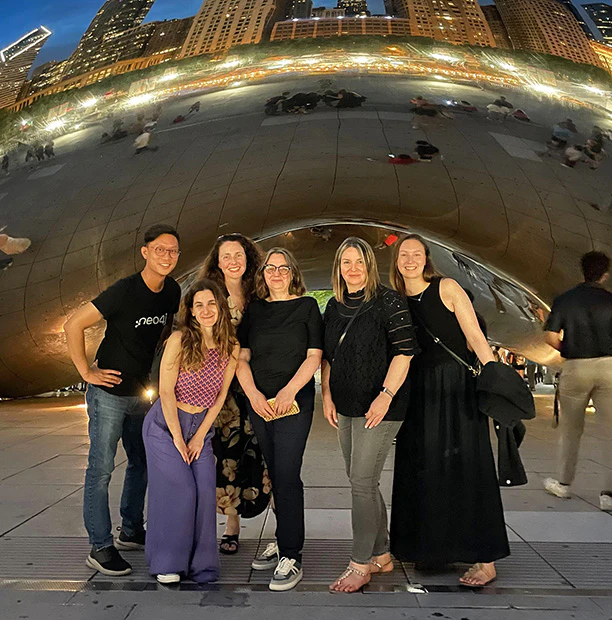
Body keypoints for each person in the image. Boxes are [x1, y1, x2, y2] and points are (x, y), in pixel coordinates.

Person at [389, 234, 509, 587]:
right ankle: (432, 549)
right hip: (418, 391)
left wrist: (496, 380)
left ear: (427, 258)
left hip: (455, 388)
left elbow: (475, 337)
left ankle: (486, 560)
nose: (410, 259)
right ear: (396, 261)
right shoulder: (395, 301)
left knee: (468, 467)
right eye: (403, 254)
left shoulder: (447, 287)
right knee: (423, 468)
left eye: (416, 253)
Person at [63, 225, 182, 576]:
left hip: (142, 395)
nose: (167, 256)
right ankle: (100, 546)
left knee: (141, 463)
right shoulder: (124, 291)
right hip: (109, 395)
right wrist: (86, 372)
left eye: (173, 251)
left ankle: (131, 530)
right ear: (145, 252)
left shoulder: (172, 291)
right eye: (160, 250)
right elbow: (73, 324)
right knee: (100, 470)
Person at [322, 237, 419, 593]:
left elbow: (404, 353)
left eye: (359, 262)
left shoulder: (387, 301)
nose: (353, 268)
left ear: (369, 266)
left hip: (382, 406)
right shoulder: (333, 306)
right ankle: (381, 554)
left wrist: (385, 395)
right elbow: (330, 356)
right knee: (361, 481)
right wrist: (327, 394)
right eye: (346, 262)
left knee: (361, 483)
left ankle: (359, 563)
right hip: (345, 406)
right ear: (338, 268)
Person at [236, 247, 323, 591]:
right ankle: (282, 538)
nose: (276, 273)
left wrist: (289, 392)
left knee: (287, 473)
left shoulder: (307, 307)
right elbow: (241, 358)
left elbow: (314, 355)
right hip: (260, 404)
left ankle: (291, 554)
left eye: (282, 268)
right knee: (273, 472)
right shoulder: (254, 312)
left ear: (292, 273)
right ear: (262, 275)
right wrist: (254, 395)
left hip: (293, 402)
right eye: (270, 268)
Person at [143, 279, 239, 584]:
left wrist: (199, 436)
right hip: (165, 426)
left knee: (204, 492)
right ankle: (167, 562)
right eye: (199, 304)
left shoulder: (230, 346)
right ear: (192, 311)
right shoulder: (179, 339)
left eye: (212, 303)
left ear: (221, 307)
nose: (206, 309)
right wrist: (177, 437)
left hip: (201, 429)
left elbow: (221, 396)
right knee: (180, 490)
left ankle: (201, 565)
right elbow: (166, 392)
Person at [200, 234, 270, 556]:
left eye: (238, 254)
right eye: (226, 255)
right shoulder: (208, 295)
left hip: (259, 387)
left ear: (248, 258)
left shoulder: (261, 293)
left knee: (260, 452)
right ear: (217, 260)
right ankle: (231, 525)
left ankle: (280, 526)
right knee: (225, 454)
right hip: (222, 389)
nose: (232, 261)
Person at [542, 252, 612, 512]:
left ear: (582, 271)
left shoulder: (565, 300)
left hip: (575, 366)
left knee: (571, 429)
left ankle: (562, 483)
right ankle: (608, 494)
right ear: (605, 274)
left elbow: (550, 337)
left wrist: (567, 348)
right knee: (611, 432)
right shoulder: (610, 301)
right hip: (608, 366)